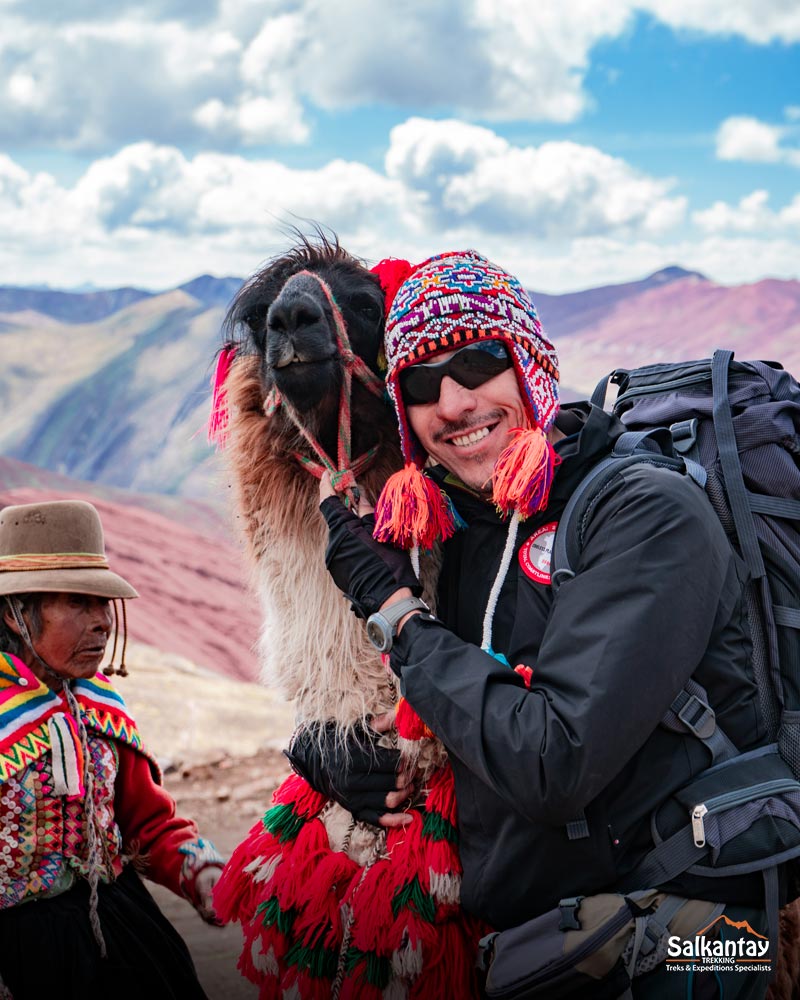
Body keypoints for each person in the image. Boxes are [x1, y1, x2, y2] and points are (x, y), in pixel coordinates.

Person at [308, 250, 776, 998]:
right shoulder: (470, 526)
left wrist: (397, 618)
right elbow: (464, 719)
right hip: (562, 944)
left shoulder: (645, 513)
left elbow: (552, 761)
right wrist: (327, 754)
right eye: (422, 383)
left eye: (479, 361)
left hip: (698, 943)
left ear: (532, 364)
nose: (454, 402)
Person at [0, 499, 224, 1000]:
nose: (102, 622)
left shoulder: (98, 705)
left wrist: (202, 874)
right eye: (79, 603)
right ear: (18, 615)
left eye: (103, 604)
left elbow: (147, 824)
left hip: (122, 927)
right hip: (20, 952)